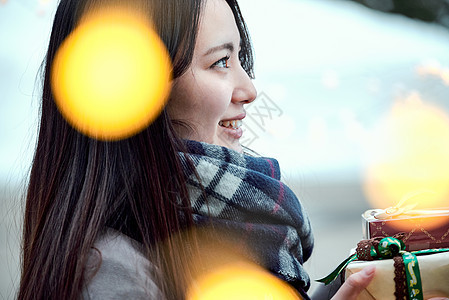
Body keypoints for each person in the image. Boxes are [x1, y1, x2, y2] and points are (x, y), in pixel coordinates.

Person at [18, 0, 375, 299]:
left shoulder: (223, 233)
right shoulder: (111, 273)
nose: (249, 89)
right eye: (220, 62)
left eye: (240, 59)